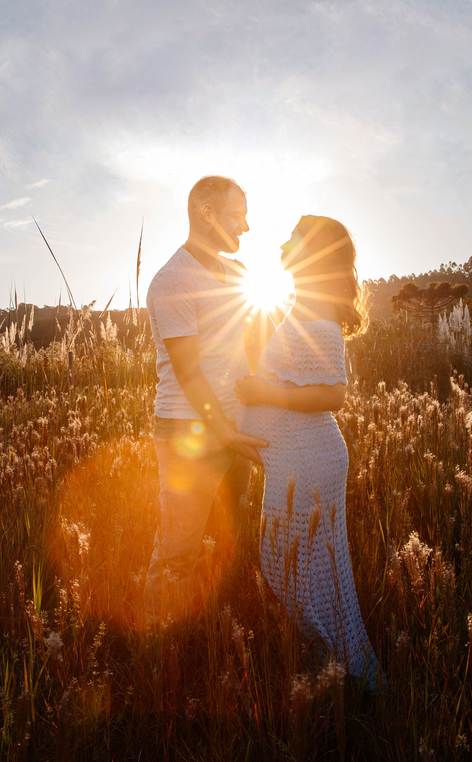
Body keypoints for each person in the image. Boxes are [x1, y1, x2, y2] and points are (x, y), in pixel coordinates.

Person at [235, 214, 385, 691]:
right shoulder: (303, 306)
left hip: (311, 459)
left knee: (299, 563)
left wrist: (263, 394)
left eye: (294, 237)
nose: (283, 242)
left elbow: (333, 394)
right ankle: (331, 664)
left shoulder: (318, 314)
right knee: (297, 562)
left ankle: (344, 672)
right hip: (299, 457)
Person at [143, 175, 269, 625]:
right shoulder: (174, 280)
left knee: (228, 539)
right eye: (238, 215)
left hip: (235, 429)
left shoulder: (238, 275)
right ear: (207, 213)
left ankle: (214, 635)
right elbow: (189, 373)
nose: (247, 227)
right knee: (179, 549)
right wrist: (227, 434)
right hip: (188, 434)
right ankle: (159, 652)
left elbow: (255, 348)